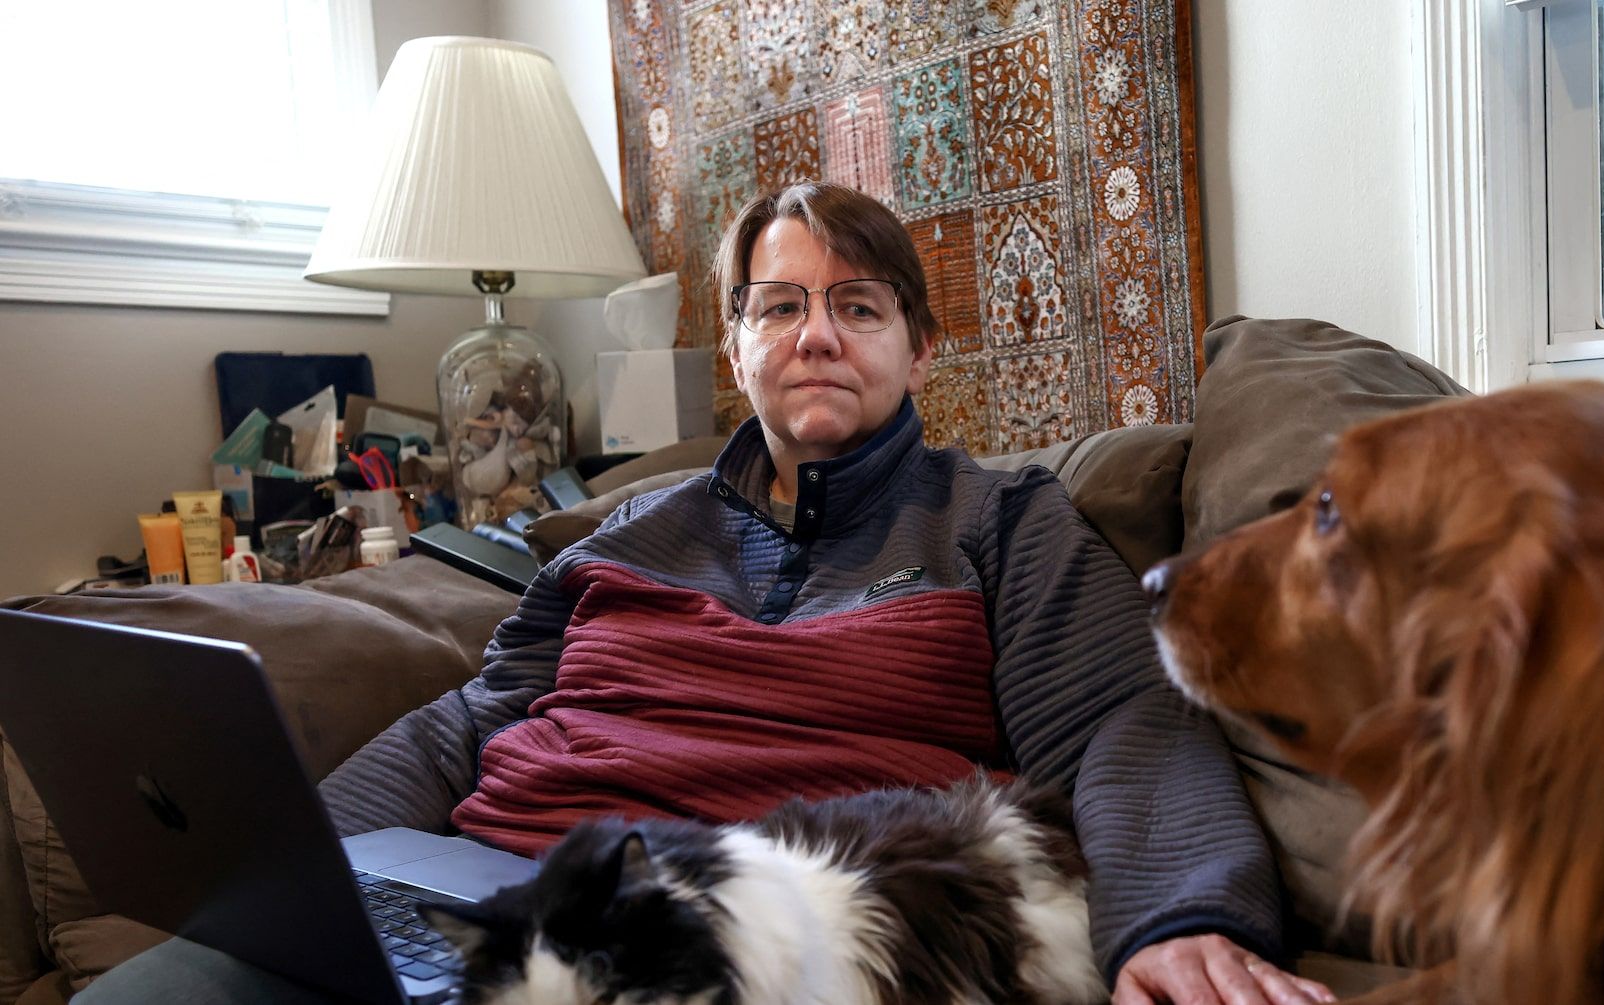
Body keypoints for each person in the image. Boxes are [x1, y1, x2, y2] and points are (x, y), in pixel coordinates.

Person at [79, 182, 1333, 1005]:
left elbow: (1123, 721)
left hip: (746, 942)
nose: (816, 335)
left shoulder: (1001, 519)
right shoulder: (633, 530)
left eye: (857, 306)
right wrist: (302, 873)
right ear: (734, 346)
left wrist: (1175, 917)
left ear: (919, 346)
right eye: (778, 307)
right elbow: (475, 722)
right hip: (494, 912)